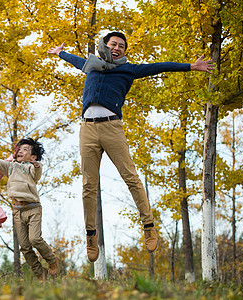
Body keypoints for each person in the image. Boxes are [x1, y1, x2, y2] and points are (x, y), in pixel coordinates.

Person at [48, 32, 214, 262]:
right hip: (87, 129)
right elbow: (74, 59)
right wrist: (60, 53)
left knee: (131, 177)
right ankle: (90, 234)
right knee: (88, 184)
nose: (117, 48)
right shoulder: (91, 66)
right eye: (113, 44)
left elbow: (159, 66)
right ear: (104, 45)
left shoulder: (129, 69)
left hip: (112, 128)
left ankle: (148, 225)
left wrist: (190, 67)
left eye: (121, 46)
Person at [0, 139, 60, 280]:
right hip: (17, 211)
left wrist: (37, 165)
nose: (21, 151)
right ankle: (40, 273)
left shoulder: (31, 168)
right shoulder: (10, 167)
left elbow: (37, 173)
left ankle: (52, 260)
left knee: (34, 239)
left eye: (25, 150)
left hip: (33, 209)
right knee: (24, 246)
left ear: (33, 156)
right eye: (20, 149)